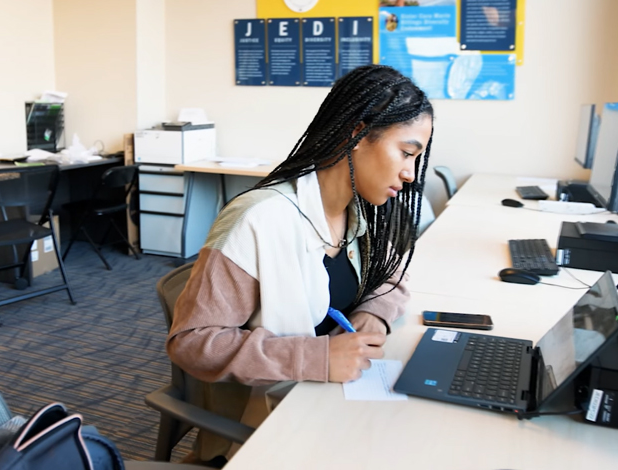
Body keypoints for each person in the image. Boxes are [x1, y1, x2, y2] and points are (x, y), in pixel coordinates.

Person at [166, 64, 434, 467]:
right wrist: (315, 357)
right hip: (271, 422)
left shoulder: (364, 210)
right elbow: (190, 342)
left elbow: (392, 274)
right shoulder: (259, 220)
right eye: (406, 153)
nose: (411, 175)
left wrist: (374, 314)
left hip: (332, 401)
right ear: (357, 134)